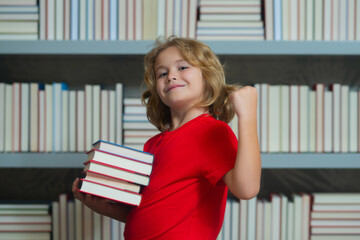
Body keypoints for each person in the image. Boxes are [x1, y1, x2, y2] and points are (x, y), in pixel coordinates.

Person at [72, 36, 261, 239]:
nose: (171, 76)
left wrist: (248, 117)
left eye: (182, 68)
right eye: (162, 73)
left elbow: (247, 188)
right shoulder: (153, 144)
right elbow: (151, 213)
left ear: (207, 77)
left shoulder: (212, 132)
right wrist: (103, 208)